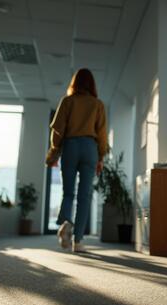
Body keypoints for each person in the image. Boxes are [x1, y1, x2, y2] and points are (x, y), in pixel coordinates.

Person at [46, 68, 107, 252]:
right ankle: (78, 241)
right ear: (92, 85)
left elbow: (57, 130)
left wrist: (54, 152)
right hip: (90, 148)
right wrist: (101, 156)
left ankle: (66, 225)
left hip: (70, 147)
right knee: (84, 196)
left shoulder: (67, 101)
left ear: (75, 83)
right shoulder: (98, 104)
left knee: (68, 193)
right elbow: (102, 134)